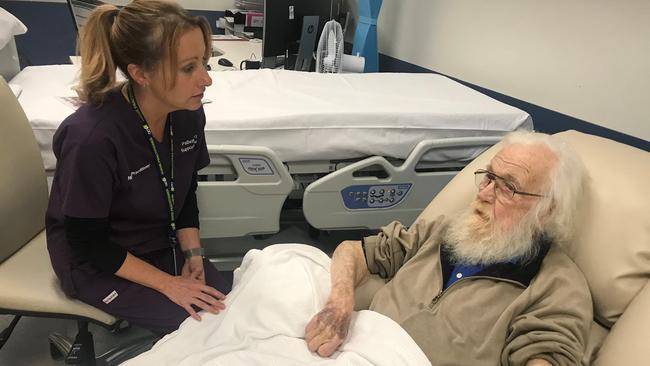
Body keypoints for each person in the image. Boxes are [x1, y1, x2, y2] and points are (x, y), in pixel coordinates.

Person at [305, 131, 593, 365]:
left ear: (547, 211)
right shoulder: (445, 231)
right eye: (489, 177)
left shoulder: (556, 285)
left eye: (508, 187)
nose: (484, 193)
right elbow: (352, 250)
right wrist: (340, 303)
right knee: (280, 261)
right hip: (350, 347)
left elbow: (547, 353)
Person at [45, 0, 230, 335]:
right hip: (96, 261)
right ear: (140, 74)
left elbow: (185, 191)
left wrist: (193, 256)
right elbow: (88, 242)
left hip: (158, 243)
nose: (206, 79)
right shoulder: (92, 138)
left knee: (227, 306)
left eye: (204, 62)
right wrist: (168, 285)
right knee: (199, 328)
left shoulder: (188, 114)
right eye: (188, 68)